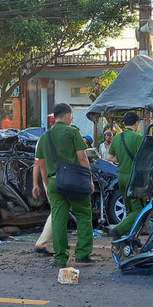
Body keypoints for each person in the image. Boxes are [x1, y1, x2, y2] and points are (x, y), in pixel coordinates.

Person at [32, 103, 95, 266]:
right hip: (75, 182)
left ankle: (60, 258)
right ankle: (82, 253)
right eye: (71, 116)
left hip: (54, 182)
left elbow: (42, 165)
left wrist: (47, 185)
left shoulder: (45, 137)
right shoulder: (72, 132)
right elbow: (82, 158)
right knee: (83, 215)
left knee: (58, 219)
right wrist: (89, 179)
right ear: (67, 115)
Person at [106, 111, 146, 238]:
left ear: (123, 123)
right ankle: (118, 230)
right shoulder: (138, 138)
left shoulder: (117, 137)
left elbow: (109, 157)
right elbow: (145, 159)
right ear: (137, 123)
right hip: (134, 178)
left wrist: (122, 159)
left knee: (129, 210)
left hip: (121, 177)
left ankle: (132, 238)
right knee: (139, 210)